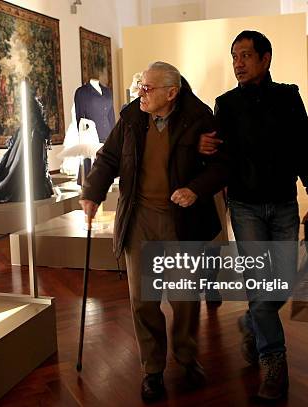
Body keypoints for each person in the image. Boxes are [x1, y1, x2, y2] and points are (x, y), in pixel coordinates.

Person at [80, 61, 227, 402]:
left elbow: (222, 165)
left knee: (184, 298)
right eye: (140, 87)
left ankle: (187, 357)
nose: (140, 93)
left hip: (181, 219)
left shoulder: (198, 117)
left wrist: (195, 189)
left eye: (147, 88)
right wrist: (92, 192)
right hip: (140, 217)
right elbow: (108, 158)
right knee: (142, 300)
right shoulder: (132, 116)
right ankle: (152, 369)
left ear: (171, 93)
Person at [199, 30, 308, 400]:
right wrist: (204, 148)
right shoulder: (225, 104)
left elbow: (304, 151)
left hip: (284, 204)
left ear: (265, 58)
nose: (237, 63)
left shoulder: (289, 98)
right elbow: (218, 157)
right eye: (234, 57)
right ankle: (273, 362)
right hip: (245, 207)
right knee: (259, 284)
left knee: (282, 283)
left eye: (245, 55)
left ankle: (252, 322)